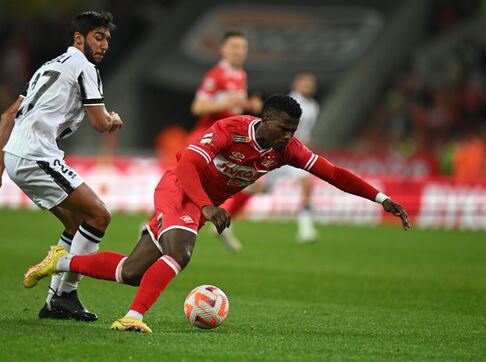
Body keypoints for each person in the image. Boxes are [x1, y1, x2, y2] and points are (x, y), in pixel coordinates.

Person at [23, 94, 411, 334]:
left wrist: (380, 198)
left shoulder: (285, 151)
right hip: (179, 188)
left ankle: (63, 261)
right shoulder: (231, 129)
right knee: (181, 250)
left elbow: (333, 173)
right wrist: (207, 205)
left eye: (294, 131)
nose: (291, 137)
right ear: (268, 120)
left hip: (201, 202)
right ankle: (132, 317)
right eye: (286, 129)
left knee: (131, 271)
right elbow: (189, 164)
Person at [0, 11, 122, 322]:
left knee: (75, 224)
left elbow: (7, 116)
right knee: (99, 216)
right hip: (37, 155)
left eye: (108, 39)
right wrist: (113, 120)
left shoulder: (48, 66)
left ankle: (55, 302)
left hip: (18, 154)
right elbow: (99, 123)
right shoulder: (86, 68)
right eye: (99, 37)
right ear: (79, 38)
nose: (105, 44)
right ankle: (65, 293)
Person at [189, 30, 263, 252]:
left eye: (242, 47)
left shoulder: (240, 74)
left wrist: (248, 106)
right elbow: (198, 107)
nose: (238, 51)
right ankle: (153, 224)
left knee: (255, 182)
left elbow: (234, 108)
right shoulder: (216, 75)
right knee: (188, 186)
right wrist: (230, 101)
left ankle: (226, 223)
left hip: (229, 141)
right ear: (222, 49)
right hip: (208, 139)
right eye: (233, 47)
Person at [274, 72, 321, 242]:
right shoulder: (289, 103)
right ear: (296, 85)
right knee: (258, 187)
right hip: (279, 149)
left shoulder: (314, 107)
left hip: (294, 153)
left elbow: (306, 133)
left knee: (307, 186)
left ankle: (305, 229)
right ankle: (227, 211)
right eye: (304, 83)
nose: (308, 86)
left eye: (310, 83)